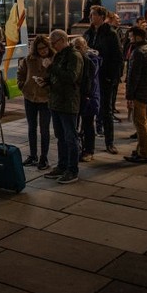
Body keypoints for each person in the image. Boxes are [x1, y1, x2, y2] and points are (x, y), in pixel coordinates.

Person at [42, 30, 83, 184]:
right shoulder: (59, 55)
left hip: (68, 102)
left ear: (62, 40)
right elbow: (58, 77)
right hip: (56, 101)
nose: (52, 45)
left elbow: (71, 77)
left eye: (53, 42)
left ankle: (72, 170)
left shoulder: (74, 55)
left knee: (70, 137)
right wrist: (46, 81)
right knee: (60, 137)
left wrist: (51, 67)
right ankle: (62, 165)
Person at [84, 6, 123, 155]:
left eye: (93, 14)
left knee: (105, 111)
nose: (90, 17)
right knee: (88, 111)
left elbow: (117, 58)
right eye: (90, 14)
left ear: (101, 16)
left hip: (104, 77)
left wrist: (111, 77)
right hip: (90, 78)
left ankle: (109, 142)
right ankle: (89, 146)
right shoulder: (88, 33)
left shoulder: (110, 34)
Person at [123, 27, 147, 164]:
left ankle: (143, 153)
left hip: (139, 93)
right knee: (143, 122)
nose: (129, 39)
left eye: (131, 36)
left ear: (138, 37)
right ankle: (140, 150)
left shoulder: (138, 52)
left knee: (140, 124)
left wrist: (129, 96)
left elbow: (133, 76)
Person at [17, 35, 54, 170]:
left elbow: (56, 77)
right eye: (39, 49)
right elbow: (20, 73)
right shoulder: (29, 60)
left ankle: (44, 157)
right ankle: (33, 155)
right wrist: (22, 85)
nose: (42, 51)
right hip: (30, 97)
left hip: (45, 98)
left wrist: (49, 73)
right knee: (31, 128)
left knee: (44, 129)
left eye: (44, 48)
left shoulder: (53, 59)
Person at [72, 36, 101, 163]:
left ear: (85, 46)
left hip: (89, 98)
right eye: (74, 47)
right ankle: (78, 149)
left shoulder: (92, 59)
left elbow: (90, 76)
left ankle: (89, 150)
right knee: (76, 125)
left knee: (88, 125)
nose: (76, 50)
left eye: (78, 47)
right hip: (77, 97)